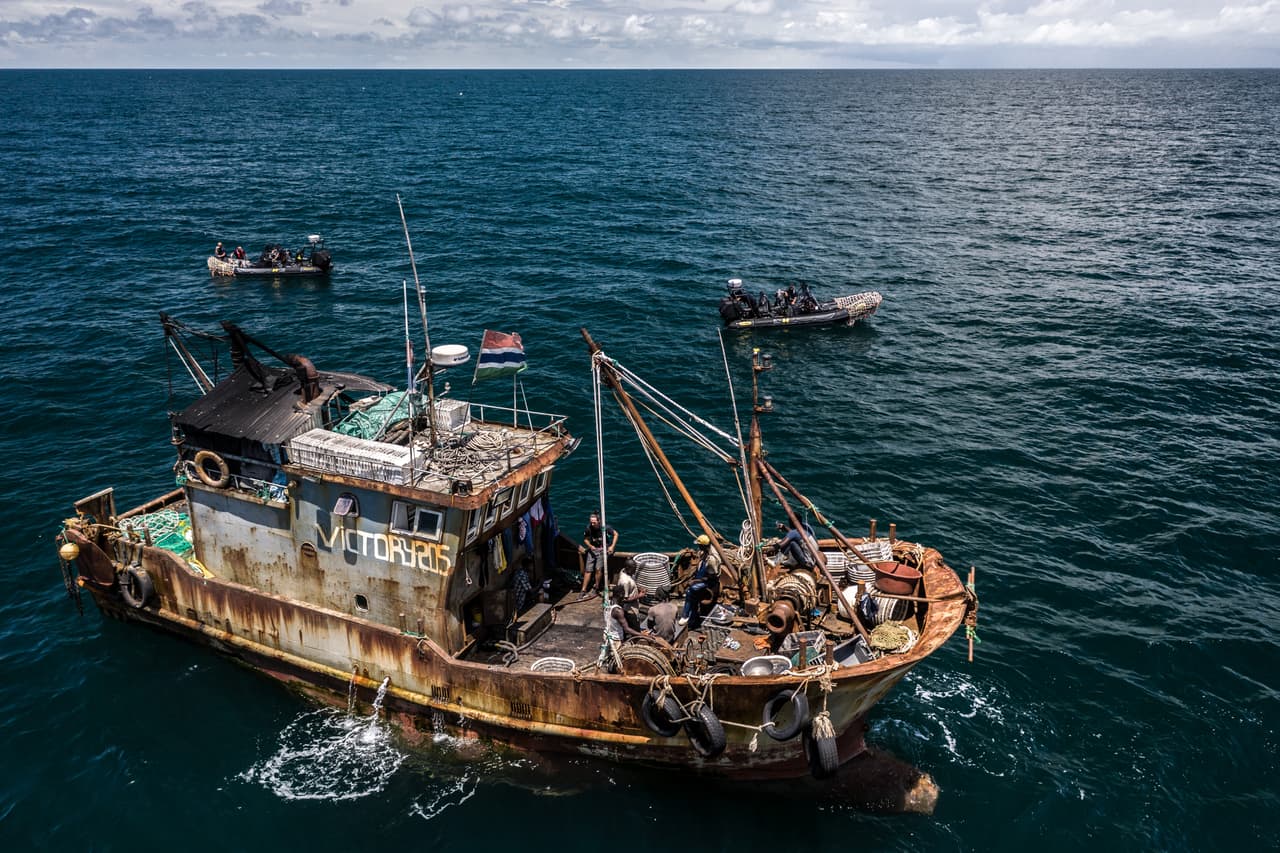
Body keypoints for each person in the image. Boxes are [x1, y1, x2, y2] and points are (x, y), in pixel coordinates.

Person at [678, 533, 721, 627]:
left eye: (699, 545)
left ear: (703, 546)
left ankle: (686, 616)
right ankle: (692, 614)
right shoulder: (705, 551)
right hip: (702, 577)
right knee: (693, 592)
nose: (697, 547)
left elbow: (711, 577)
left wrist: (695, 581)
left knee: (691, 591)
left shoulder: (712, 560)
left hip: (709, 582)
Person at [577, 512, 618, 599]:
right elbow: (585, 539)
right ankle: (583, 590)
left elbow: (616, 534)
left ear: (599, 521)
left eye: (594, 522)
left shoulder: (605, 527)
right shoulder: (588, 528)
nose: (592, 524)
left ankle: (596, 587)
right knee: (588, 570)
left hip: (602, 550)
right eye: (591, 522)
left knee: (598, 569)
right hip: (592, 551)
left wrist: (612, 547)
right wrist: (590, 546)